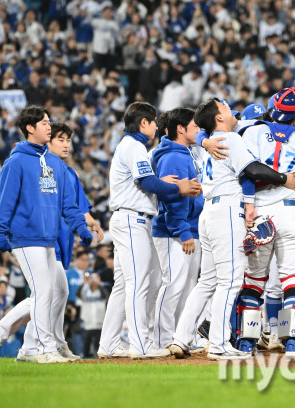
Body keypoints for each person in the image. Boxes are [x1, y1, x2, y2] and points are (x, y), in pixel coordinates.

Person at [169, 98, 295, 360]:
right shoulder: (230, 139)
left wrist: (203, 139)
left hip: (209, 212)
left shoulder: (208, 142)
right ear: (218, 118)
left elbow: (201, 134)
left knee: (207, 281)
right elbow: (251, 169)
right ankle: (219, 344)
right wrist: (284, 178)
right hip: (228, 211)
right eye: (226, 109)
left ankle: (181, 338)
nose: (231, 111)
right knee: (229, 282)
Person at [0, 105, 93, 364]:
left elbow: (68, 203)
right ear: (30, 128)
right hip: (25, 236)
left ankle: (11, 339)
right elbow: (4, 200)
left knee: (49, 293)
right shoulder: (16, 161)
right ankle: (45, 348)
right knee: (43, 292)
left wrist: (81, 228)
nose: (49, 126)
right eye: (43, 123)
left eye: (49, 121)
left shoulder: (55, 163)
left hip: (48, 238)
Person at [99, 102, 200, 360]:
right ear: (143, 123)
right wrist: (178, 188)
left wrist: (162, 182)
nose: (157, 125)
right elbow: (146, 181)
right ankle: (141, 345)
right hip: (132, 220)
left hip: (131, 218)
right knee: (138, 284)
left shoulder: (132, 146)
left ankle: (108, 345)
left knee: (123, 286)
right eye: (153, 121)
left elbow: (147, 182)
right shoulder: (134, 146)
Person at [235, 87, 295, 358]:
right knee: (292, 279)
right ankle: (291, 339)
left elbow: (249, 172)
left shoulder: (251, 131)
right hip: (288, 211)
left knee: (254, 280)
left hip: (258, 208)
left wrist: (249, 204)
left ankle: (247, 341)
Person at [16, 122, 104, 363]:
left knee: (56, 292)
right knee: (44, 294)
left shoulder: (67, 171)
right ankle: (4, 332)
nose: (66, 144)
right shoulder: (39, 167)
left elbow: (76, 206)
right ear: (47, 140)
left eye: (68, 140)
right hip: (42, 240)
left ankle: (41, 344)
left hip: (59, 240)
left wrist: (91, 222)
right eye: (60, 139)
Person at [151, 107, 204, 349]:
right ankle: (162, 340)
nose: (198, 130)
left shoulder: (187, 153)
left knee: (187, 290)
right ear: (180, 129)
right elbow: (172, 199)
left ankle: (183, 339)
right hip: (174, 232)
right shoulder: (173, 157)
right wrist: (182, 231)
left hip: (190, 229)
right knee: (173, 285)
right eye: (194, 126)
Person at [77, 272, 109, 358]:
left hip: (99, 322)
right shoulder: (85, 290)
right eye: (91, 278)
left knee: (98, 344)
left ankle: (99, 358)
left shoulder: (101, 290)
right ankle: (86, 356)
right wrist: (85, 282)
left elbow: (106, 295)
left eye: (95, 278)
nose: (93, 280)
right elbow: (78, 294)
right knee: (86, 343)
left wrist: (98, 284)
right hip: (88, 322)